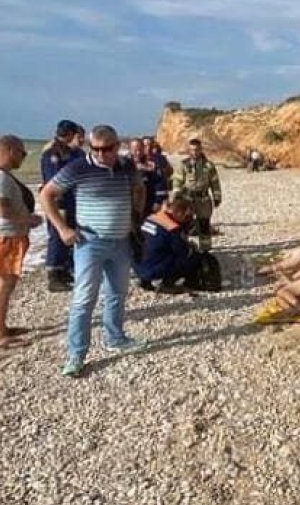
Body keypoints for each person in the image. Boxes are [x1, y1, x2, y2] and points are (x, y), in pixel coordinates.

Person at [40, 124, 146, 378]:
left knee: (117, 294)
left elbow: (139, 187)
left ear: (117, 145)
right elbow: (46, 195)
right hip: (89, 243)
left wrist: (135, 216)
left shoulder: (126, 166)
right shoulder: (78, 167)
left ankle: (115, 338)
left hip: (120, 242)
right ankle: (76, 355)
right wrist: (63, 229)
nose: (100, 154)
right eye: (94, 149)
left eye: (106, 149)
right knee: (84, 300)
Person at [0, 134, 43, 348]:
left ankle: (2, 327)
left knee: (7, 281)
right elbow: (2, 210)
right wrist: (29, 218)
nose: (23, 157)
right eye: (22, 153)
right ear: (9, 151)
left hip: (8, 234)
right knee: (3, 282)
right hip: (5, 235)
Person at [39, 119, 85, 291]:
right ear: (71, 135)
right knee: (57, 235)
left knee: (70, 235)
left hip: (73, 200)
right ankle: (54, 274)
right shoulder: (53, 153)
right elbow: (53, 182)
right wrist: (58, 206)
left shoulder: (73, 152)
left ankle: (64, 269)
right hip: (58, 202)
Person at [135, 193, 204, 292]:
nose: (188, 220)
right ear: (181, 212)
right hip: (154, 269)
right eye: (187, 216)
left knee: (154, 250)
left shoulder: (152, 217)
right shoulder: (173, 228)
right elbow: (183, 253)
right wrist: (192, 248)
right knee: (191, 258)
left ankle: (145, 281)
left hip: (138, 267)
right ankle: (167, 283)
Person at [172, 138, 221, 241]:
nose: (194, 152)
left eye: (197, 149)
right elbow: (177, 181)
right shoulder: (183, 165)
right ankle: (184, 249)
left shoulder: (208, 166)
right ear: (189, 151)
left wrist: (217, 197)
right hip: (187, 198)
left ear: (201, 150)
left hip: (203, 199)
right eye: (192, 150)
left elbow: (215, 182)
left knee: (204, 224)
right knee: (185, 224)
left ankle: (205, 249)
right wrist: (176, 195)